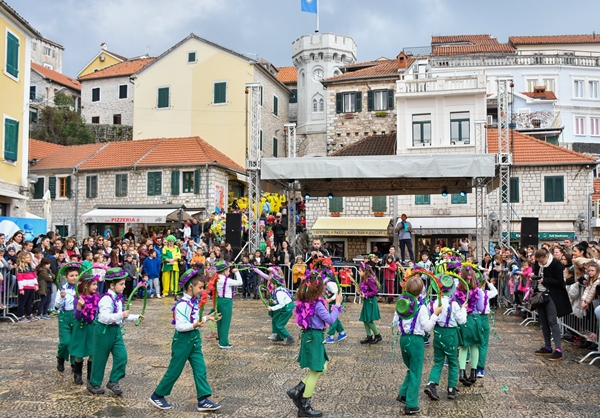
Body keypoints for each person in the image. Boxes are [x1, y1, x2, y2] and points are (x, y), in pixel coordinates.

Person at [149, 268, 220, 411]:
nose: (202, 290)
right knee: (174, 371)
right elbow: (180, 326)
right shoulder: (182, 305)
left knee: (200, 369)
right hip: (182, 341)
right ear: (190, 287)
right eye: (200, 287)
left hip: (194, 341)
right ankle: (157, 395)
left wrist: (207, 317)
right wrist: (195, 325)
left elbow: (195, 319)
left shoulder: (193, 302)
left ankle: (203, 399)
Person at [287, 270, 343, 417]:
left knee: (322, 367)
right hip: (315, 337)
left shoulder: (307, 300)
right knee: (317, 370)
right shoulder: (317, 303)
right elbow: (330, 320)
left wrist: (328, 301)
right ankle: (305, 406)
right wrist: (337, 304)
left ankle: (297, 390)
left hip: (310, 335)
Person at [88, 267, 143, 395]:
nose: (124, 286)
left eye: (124, 283)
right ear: (112, 285)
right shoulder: (106, 299)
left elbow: (121, 315)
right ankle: (94, 383)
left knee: (122, 356)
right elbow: (104, 317)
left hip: (116, 331)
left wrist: (135, 317)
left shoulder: (118, 298)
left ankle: (113, 380)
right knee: (100, 358)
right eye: (121, 284)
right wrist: (121, 315)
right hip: (103, 331)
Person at [394, 276, 442, 415]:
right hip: (416, 341)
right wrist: (435, 315)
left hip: (403, 340)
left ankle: (403, 394)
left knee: (412, 368)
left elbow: (395, 322)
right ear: (421, 291)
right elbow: (427, 327)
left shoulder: (401, 304)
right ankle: (411, 405)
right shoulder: (421, 307)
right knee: (416, 372)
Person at [423, 274, 467, 402]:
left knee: (438, 361)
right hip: (451, 334)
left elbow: (430, 317)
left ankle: (431, 384)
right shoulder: (454, 304)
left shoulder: (432, 303)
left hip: (438, 334)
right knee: (453, 361)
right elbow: (462, 321)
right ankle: (451, 389)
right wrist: (463, 309)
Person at [532, 248, 572, 361]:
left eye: (541, 261)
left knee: (552, 321)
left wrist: (544, 280)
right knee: (543, 321)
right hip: (540, 294)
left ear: (546, 256)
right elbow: (537, 274)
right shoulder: (538, 264)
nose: (540, 263)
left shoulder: (556, 264)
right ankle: (547, 346)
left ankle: (558, 349)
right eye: (538, 261)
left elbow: (559, 281)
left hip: (552, 295)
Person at [455, 266, 485, 386]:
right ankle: (473, 373)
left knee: (463, 346)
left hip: (463, 320)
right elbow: (481, 308)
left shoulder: (456, 291)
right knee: (475, 346)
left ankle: (462, 372)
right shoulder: (478, 291)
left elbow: (454, 306)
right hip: (474, 319)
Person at [71, 272, 100, 385]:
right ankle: (77, 374)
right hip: (81, 327)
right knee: (80, 351)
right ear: (85, 286)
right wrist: (79, 306)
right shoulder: (78, 298)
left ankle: (90, 375)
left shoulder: (96, 297)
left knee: (93, 350)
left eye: (96, 284)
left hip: (92, 327)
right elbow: (77, 316)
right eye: (94, 284)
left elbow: (98, 312)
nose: (96, 286)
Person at [55, 262, 83, 372]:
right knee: (65, 342)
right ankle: (60, 357)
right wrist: (62, 297)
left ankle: (74, 362)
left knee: (75, 341)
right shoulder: (62, 289)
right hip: (65, 317)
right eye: (71, 276)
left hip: (77, 316)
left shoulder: (81, 289)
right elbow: (57, 306)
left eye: (76, 275)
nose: (74, 277)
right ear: (66, 278)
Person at [262, 267, 295, 345]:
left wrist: (272, 308)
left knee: (279, 325)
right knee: (276, 320)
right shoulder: (279, 290)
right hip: (287, 306)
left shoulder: (279, 292)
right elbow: (281, 301)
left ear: (275, 284)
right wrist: (274, 301)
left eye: (272, 284)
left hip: (287, 308)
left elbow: (282, 304)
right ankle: (280, 336)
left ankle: (290, 338)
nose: (271, 285)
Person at [214, 260, 243, 349]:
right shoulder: (227, 280)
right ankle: (224, 343)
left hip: (218, 300)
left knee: (219, 321)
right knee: (225, 322)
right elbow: (240, 282)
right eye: (228, 270)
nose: (229, 272)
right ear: (224, 271)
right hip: (226, 302)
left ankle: (221, 340)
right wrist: (237, 272)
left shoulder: (216, 278)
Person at [476, 274, 498, 379]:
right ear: (484, 283)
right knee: (483, 344)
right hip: (484, 318)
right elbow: (495, 291)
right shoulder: (487, 293)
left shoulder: (471, 293)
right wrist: (489, 283)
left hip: (473, 318)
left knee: (471, 342)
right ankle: (480, 368)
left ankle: (467, 360)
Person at [357, 263, 382, 344]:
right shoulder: (364, 279)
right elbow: (365, 289)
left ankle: (378, 335)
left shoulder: (369, 280)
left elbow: (374, 291)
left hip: (370, 301)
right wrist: (360, 292)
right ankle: (369, 336)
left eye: (360, 271)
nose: (359, 272)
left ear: (365, 272)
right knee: (365, 319)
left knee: (369, 319)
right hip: (367, 301)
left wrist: (366, 295)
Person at [16, 251, 38, 322]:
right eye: (27, 257)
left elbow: (34, 277)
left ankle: (29, 314)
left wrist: (36, 284)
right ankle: (21, 316)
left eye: (29, 257)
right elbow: (20, 279)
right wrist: (21, 289)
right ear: (22, 259)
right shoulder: (20, 268)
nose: (29, 259)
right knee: (22, 302)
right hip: (24, 287)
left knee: (29, 301)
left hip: (31, 286)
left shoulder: (31, 267)